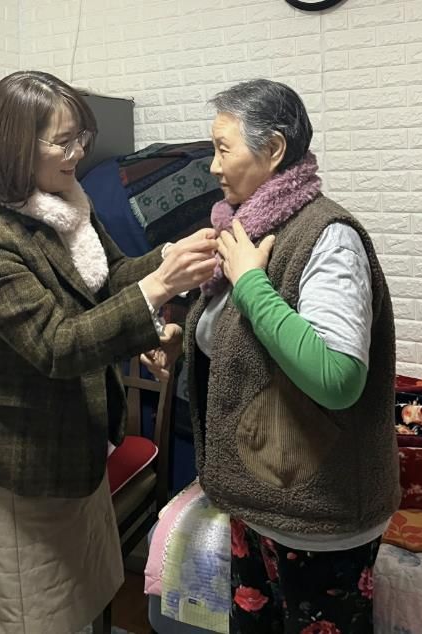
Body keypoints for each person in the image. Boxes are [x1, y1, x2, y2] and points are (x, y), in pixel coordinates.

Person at [0, 70, 217, 634]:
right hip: (16, 458)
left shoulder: (69, 203)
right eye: (63, 141)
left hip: (77, 440)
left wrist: (168, 257)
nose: (78, 153)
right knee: (19, 610)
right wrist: (159, 287)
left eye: (81, 138)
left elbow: (112, 278)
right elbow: (55, 344)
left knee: (78, 592)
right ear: (16, 145)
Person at [143, 79, 400, 633]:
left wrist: (252, 284)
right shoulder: (245, 229)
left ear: (275, 149)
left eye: (223, 148)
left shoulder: (327, 236)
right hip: (259, 497)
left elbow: (337, 377)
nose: (213, 167)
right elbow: (246, 343)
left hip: (317, 516)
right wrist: (182, 343)